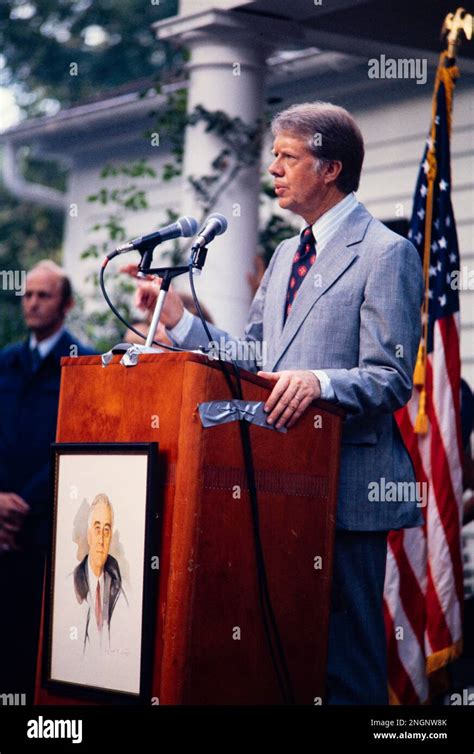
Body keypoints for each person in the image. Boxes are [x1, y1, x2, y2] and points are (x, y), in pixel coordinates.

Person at [127, 102, 424, 705]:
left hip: (346, 492)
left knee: (346, 665)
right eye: (274, 157)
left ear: (332, 167)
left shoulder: (387, 253)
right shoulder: (288, 255)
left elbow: (391, 378)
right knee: (285, 657)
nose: (274, 169)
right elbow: (256, 357)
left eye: (289, 157)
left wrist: (320, 381)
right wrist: (182, 324)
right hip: (279, 488)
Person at [0, 260, 95, 701]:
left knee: (33, 641)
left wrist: (26, 502)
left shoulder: (81, 364)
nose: (33, 303)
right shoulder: (6, 362)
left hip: (45, 529)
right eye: (28, 295)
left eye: (44, 295)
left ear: (67, 304)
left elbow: (79, 440)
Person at [73, 494, 126, 653]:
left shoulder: (119, 592)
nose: (101, 540)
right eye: (97, 529)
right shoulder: (69, 586)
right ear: (89, 535)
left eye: (106, 530)